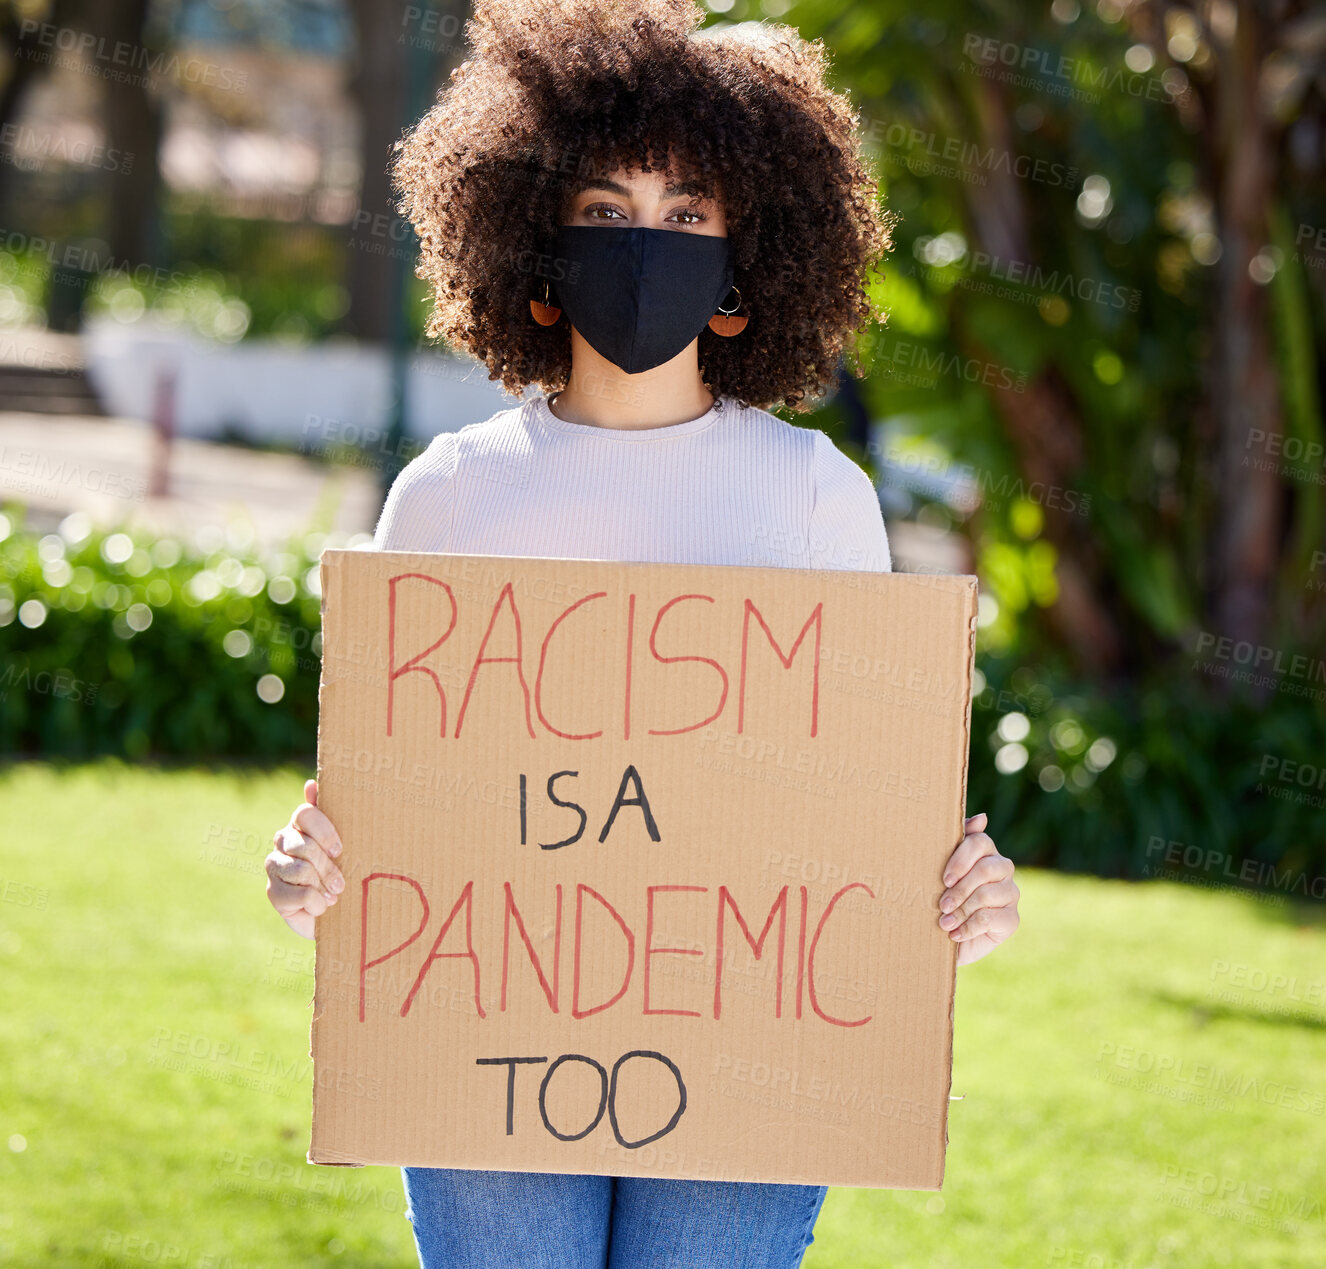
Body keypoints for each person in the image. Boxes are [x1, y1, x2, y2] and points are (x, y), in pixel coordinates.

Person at [263, 2, 1021, 1264]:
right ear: (535, 235)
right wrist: (312, 874)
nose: (644, 245)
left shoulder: (819, 494)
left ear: (748, 257)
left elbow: (862, 825)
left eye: (688, 216)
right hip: (483, 1034)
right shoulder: (446, 494)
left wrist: (961, 897)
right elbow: (393, 824)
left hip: (754, 1050)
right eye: (606, 213)